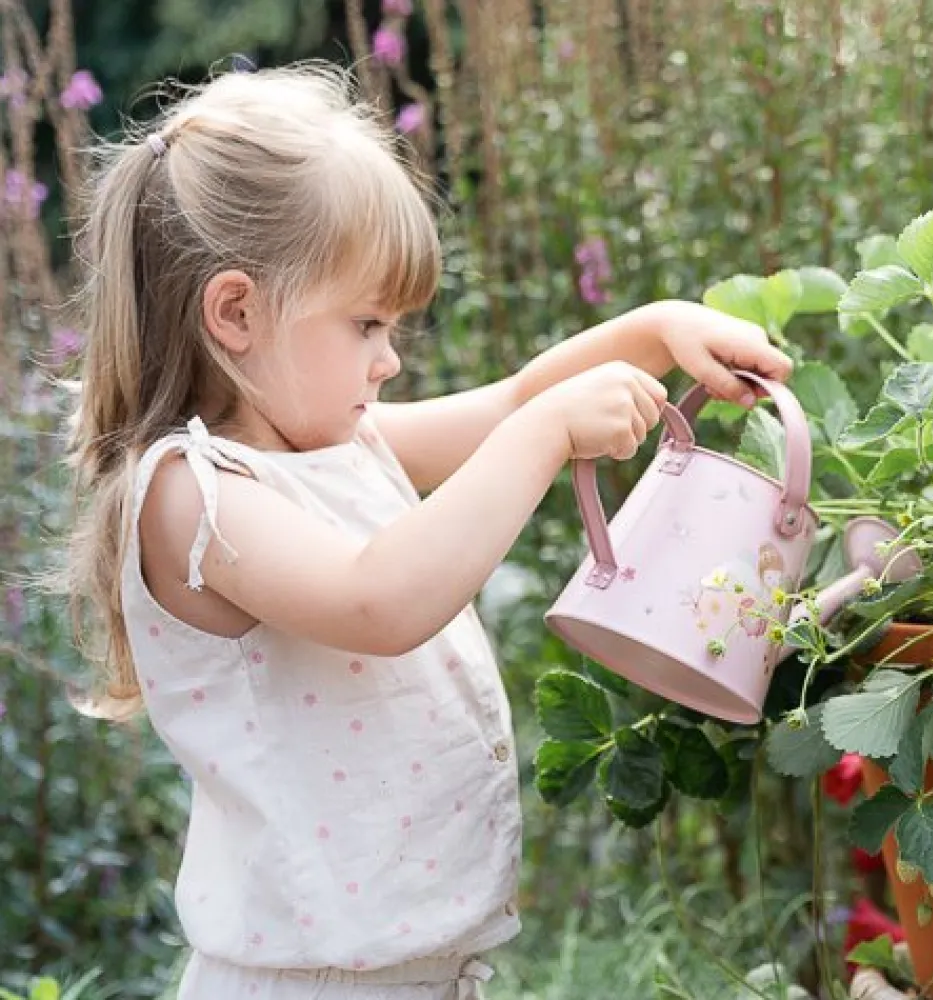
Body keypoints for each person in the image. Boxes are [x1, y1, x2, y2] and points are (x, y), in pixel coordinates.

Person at [63, 62, 793, 1000]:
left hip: (413, 973)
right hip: (309, 983)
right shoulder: (190, 496)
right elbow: (380, 598)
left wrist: (657, 329)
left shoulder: (340, 445)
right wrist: (544, 436)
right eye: (366, 322)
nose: (391, 357)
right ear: (236, 312)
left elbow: (516, 398)